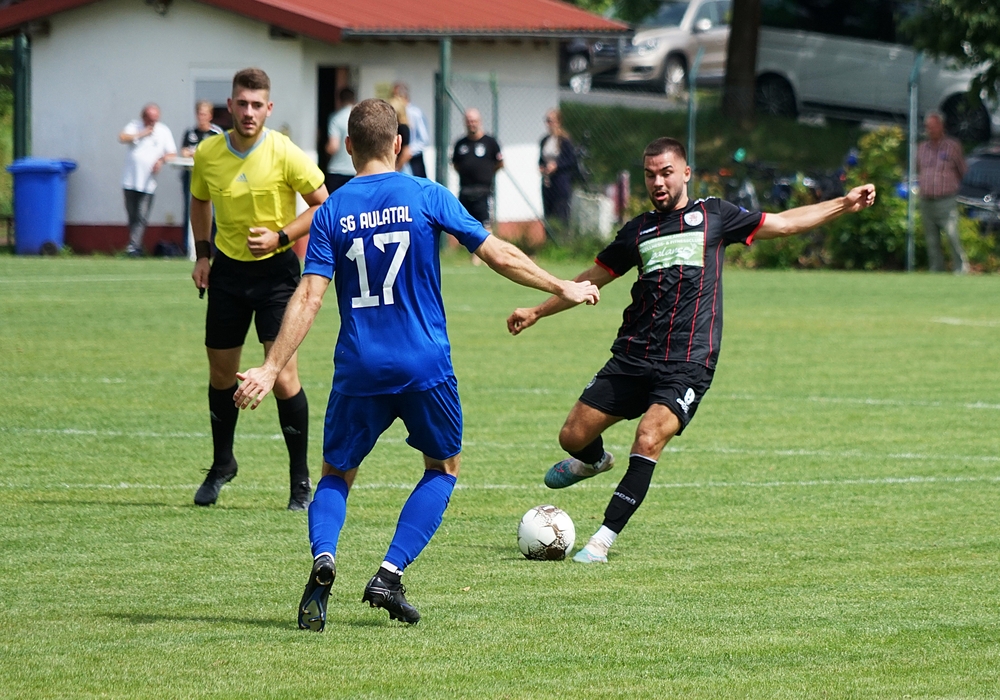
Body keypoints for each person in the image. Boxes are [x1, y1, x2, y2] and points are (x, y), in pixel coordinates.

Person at [232, 98, 600, 630]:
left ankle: (325, 555)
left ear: (349, 147)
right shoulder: (426, 194)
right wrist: (560, 284)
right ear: (399, 145)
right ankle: (389, 573)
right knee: (442, 468)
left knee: (336, 474)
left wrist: (270, 367)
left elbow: (309, 296)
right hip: (424, 364)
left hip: (359, 367)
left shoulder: (333, 209)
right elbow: (497, 252)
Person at [507, 137, 876, 564]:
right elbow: (590, 279)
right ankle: (593, 462)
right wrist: (537, 311)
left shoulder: (714, 216)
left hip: (688, 362)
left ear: (685, 173)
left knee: (648, 437)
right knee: (572, 437)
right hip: (633, 354)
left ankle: (601, 542)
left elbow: (785, 223)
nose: (658, 182)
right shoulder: (637, 231)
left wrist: (843, 203)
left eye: (666, 173)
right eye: (650, 175)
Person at [189, 68, 329, 511]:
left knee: (283, 376)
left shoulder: (284, 151)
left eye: (257, 105)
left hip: (277, 277)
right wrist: (203, 254)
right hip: (228, 273)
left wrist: (281, 236)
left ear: (268, 109)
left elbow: (323, 204)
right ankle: (222, 464)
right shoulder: (208, 153)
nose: (248, 112)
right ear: (229, 106)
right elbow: (199, 200)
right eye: (242, 103)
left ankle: (300, 481)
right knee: (221, 374)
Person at [118, 103, 176, 256]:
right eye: (150, 119)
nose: (153, 122)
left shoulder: (163, 131)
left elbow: (172, 153)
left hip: (148, 182)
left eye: (155, 119)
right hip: (130, 180)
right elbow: (122, 137)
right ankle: (135, 245)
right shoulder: (134, 126)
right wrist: (142, 133)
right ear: (143, 117)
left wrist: (161, 160)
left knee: (141, 216)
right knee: (132, 215)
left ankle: (134, 246)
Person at [917, 111, 969, 274]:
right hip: (926, 200)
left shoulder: (952, 146)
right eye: (928, 127)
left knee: (952, 234)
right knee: (931, 239)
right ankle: (936, 270)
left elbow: (962, 170)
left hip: (946, 199)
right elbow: (919, 169)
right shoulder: (922, 148)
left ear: (941, 126)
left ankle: (960, 268)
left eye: (933, 126)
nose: (930, 130)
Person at [180, 100, 223, 250]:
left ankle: (216, 246)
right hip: (191, 176)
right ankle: (189, 247)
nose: (201, 117)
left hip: (212, 177)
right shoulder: (190, 132)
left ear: (210, 116)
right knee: (191, 209)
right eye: (199, 113)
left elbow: (220, 154)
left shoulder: (216, 133)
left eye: (204, 114)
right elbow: (184, 151)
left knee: (215, 211)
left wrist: (197, 154)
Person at [452, 108, 503, 232]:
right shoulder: (460, 144)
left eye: (474, 121)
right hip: (465, 191)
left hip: (483, 191)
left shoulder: (490, 142)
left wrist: (486, 174)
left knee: (485, 228)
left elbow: (500, 163)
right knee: (465, 228)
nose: (471, 124)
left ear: (480, 121)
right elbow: (455, 164)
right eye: (469, 121)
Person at [538, 108, 577, 226]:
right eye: (546, 120)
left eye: (550, 120)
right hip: (547, 181)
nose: (548, 124)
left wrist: (557, 165)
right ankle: (549, 234)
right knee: (548, 211)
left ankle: (561, 234)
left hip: (560, 181)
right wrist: (541, 166)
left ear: (558, 122)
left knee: (560, 211)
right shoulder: (545, 140)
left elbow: (570, 159)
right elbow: (541, 158)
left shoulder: (564, 140)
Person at [393, 82, 430, 178]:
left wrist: (410, 150)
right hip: (400, 158)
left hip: (414, 160)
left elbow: (424, 140)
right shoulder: (395, 113)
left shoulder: (415, 113)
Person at [325, 87, 357, 194]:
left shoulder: (336, 118)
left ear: (339, 100)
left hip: (337, 170)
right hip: (356, 169)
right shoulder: (359, 117)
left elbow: (333, 147)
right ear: (354, 99)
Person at [391, 97, 412, 173]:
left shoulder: (403, 128)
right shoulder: (402, 126)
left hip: (401, 167)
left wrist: (397, 168)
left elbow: (406, 152)